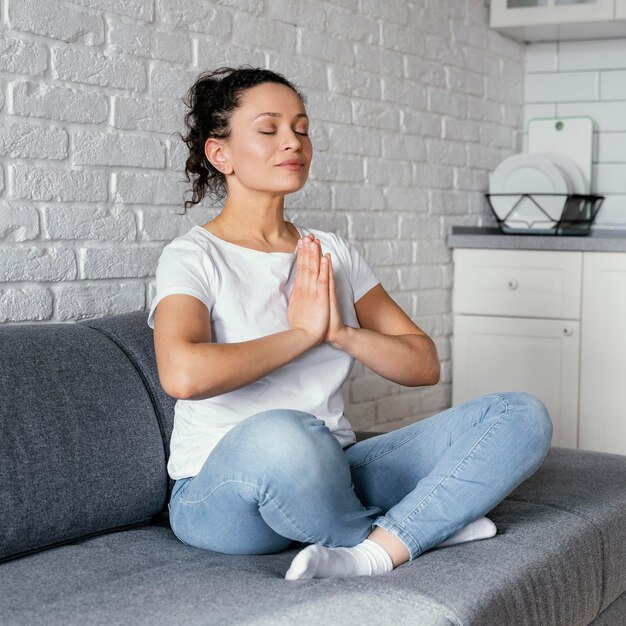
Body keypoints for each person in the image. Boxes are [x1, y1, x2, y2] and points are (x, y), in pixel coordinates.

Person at [148, 66, 553, 581]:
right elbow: (182, 374)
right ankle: (416, 527)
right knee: (284, 432)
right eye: (269, 129)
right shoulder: (192, 256)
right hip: (222, 495)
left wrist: (341, 332)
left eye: (301, 127)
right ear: (219, 154)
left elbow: (423, 363)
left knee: (518, 414)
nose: (293, 142)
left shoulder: (332, 251)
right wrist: (301, 335)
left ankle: (372, 553)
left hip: (336, 472)